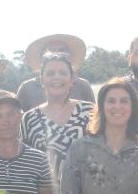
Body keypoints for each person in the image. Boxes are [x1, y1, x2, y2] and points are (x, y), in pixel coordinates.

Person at [60, 78, 138, 194]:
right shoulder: (81, 148)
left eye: (124, 101)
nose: (117, 106)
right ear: (101, 107)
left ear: (133, 107)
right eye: (111, 101)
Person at [19, 52, 94, 183]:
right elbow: (23, 163)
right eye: (50, 73)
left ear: (72, 80)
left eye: (63, 73)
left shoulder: (91, 112)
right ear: (42, 80)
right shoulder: (28, 119)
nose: (56, 77)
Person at [16, 34, 95, 111]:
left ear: (70, 57)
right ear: (42, 57)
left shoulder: (83, 86)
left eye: (62, 50)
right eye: (51, 50)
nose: (56, 54)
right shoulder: (26, 88)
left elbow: (96, 117)